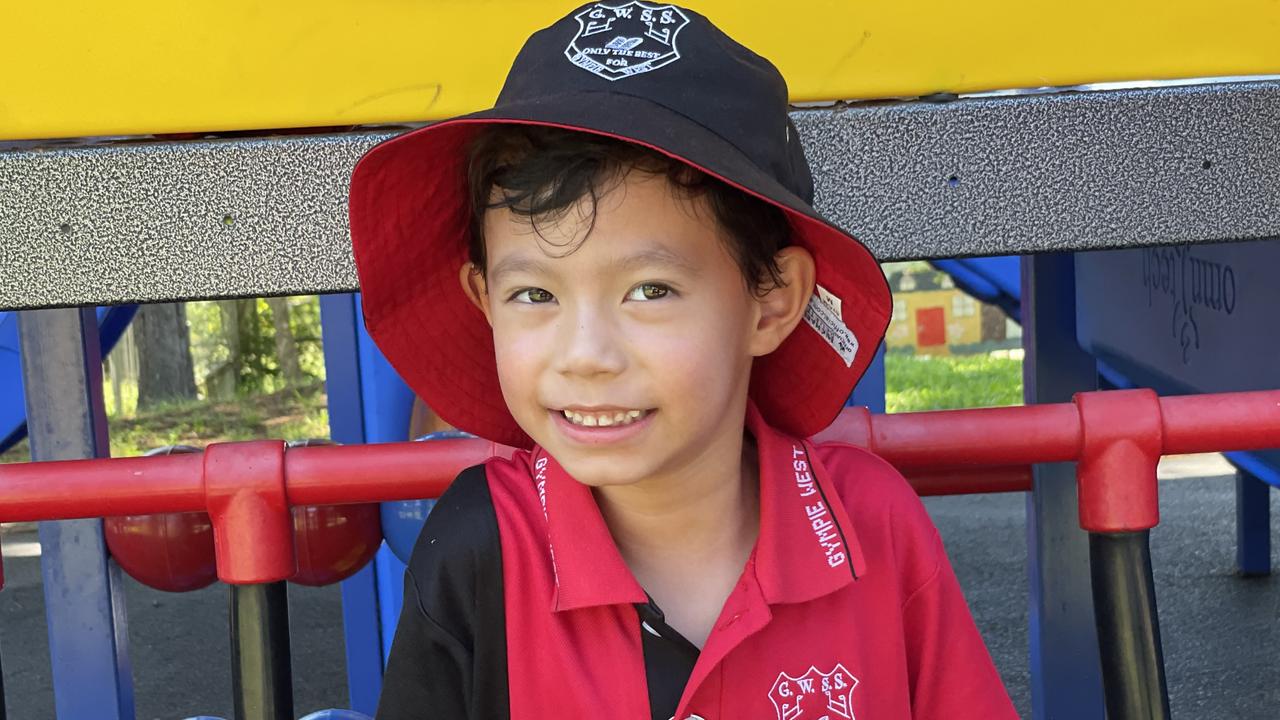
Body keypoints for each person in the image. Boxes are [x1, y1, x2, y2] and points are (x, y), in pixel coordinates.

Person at [348, 3, 1018, 718]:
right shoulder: (479, 550)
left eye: (650, 290)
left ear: (771, 300)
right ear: (484, 299)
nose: (586, 356)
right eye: (536, 292)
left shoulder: (874, 527)